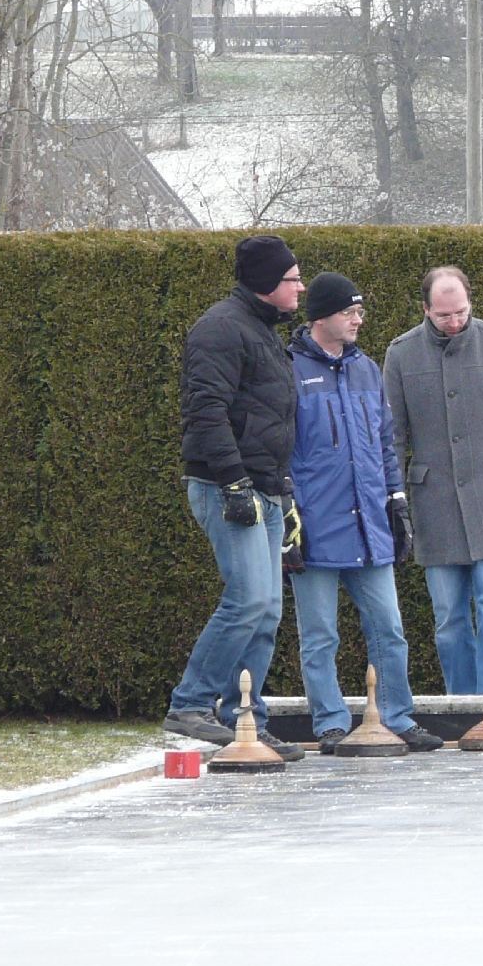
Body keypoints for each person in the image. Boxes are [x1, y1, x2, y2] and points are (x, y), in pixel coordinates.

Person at [286, 272, 444, 755]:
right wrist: (288, 515)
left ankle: (397, 717)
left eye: (359, 311)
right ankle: (330, 724)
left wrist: (396, 500)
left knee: (389, 630)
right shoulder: (288, 370)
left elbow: (383, 444)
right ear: (321, 317)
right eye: (349, 312)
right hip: (314, 527)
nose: (358, 320)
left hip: (369, 525)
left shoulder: (366, 369)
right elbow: (278, 450)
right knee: (320, 636)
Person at [162, 234, 305, 760]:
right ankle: (191, 703)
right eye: (292, 279)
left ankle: (245, 720)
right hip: (228, 486)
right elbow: (206, 409)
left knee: (266, 612)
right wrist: (234, 482)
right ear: (267, 283)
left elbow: (271, 419)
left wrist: (282, 489)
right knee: (247, 600)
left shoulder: (264, 330)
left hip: (264, 488)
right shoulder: (220, 328)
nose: (301, 287)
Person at [383, 266, 483, 695]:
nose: (454, 322)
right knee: (449, 620)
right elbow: (392, 437)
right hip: (434, 505)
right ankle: (460, 705)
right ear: (425, 309)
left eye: (461, 312)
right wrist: (392, 498)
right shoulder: (400, 354)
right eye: (443, 315)